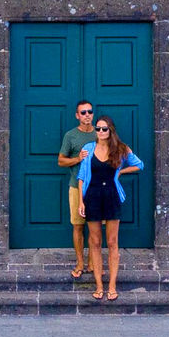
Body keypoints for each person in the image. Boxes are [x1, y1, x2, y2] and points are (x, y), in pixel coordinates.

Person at [75, 116, 142, 301]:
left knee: (112, 242)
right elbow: (81, 177)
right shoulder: (88, 149)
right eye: (98, 129)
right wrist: (81, 202)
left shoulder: (120, 149)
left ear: (111, 130)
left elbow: (139, 165)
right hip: (92, 197)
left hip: (112, 196)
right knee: (95, 242)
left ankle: (112, 285)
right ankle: (98, 285)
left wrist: (120, 171)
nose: (101, 132)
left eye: (104, 129)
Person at [55, 101, 99, 278]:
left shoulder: (101, 133)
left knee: (95, 227)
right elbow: (60, 161)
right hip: (76, 187)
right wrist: (78, 158)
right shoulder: (71, 136)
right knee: (78, 226)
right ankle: (80, 262)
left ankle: (92, 263)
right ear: (77, 115)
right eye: (83, 112)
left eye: (89, 111)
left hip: (97, 188)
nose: (87, 115)